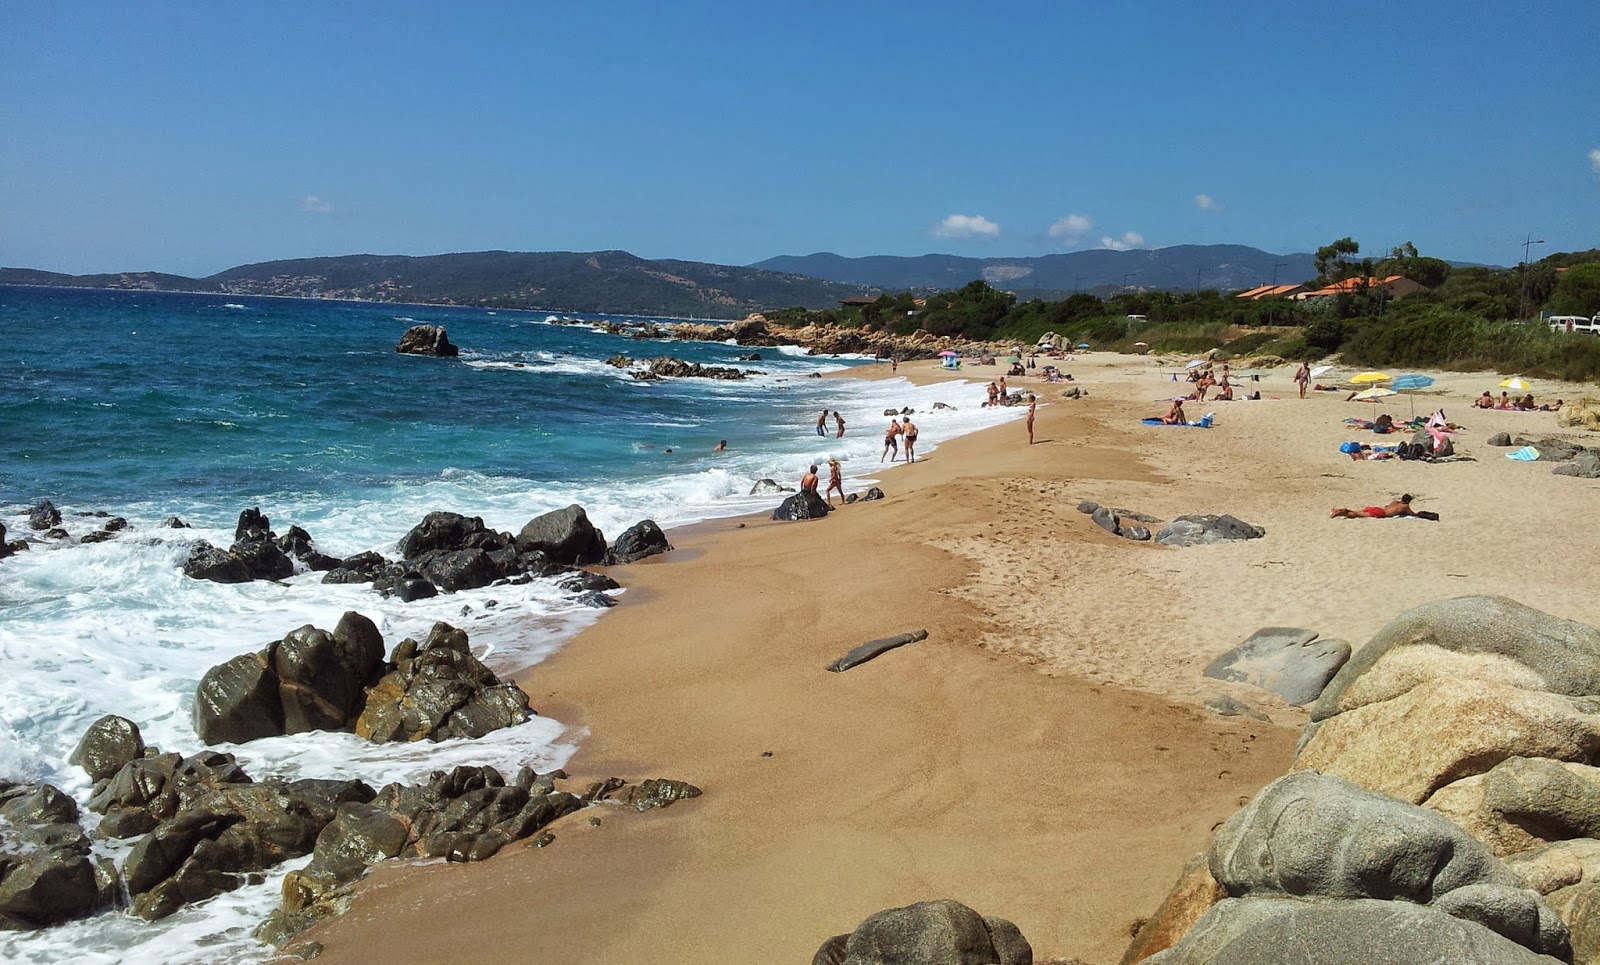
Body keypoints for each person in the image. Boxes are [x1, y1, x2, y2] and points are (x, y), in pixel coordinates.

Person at [1330, 494, 1431, 519]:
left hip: (1379, 509)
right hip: (1381, 513)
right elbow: (1413, 514)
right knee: (1357, 515)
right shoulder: (1405, 507)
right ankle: (1340, 513)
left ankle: (1340, 510)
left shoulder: (1395, 502)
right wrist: (1418, 514)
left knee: (1358, 511)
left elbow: (1387, 506)